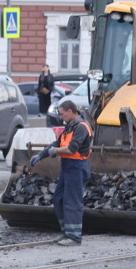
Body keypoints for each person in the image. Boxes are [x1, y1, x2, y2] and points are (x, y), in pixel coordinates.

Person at [31, 100, 92, 246]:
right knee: (58, 199)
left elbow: (71, 149)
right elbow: (56, 144)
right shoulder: (69, 127)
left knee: (73, 202)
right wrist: (41, 155)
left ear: (70, 112)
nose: (60, 117)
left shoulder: (81, 128)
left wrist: (55, 152)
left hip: (77, 168)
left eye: (62, 114)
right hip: (67, 168)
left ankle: (74, 237)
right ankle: (67, 232)